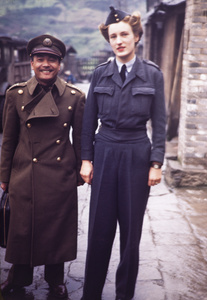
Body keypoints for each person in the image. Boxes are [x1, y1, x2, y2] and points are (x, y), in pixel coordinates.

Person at [80, 6, 166, 300]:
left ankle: (124, 295)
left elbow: (161, 121)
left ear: (136, 37)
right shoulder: (101, 74)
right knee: (99, 230)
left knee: (131, 234)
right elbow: (88, 121)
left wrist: (156, 163)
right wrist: (86, 159)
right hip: (104, 151)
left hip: (136, 155)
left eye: (124, 35)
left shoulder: (152, 75)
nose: (119, 40)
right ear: (109, 40)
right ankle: (90, 293)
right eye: (113, 36)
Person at [0, 34, 85, 298]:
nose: (46, 64)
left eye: (52, 59)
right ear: (32, 62)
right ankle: (18, 277)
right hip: (25, 172)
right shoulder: (16, 94)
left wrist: (80, 173)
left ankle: (56, 280)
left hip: (59, 175)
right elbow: (8, 139)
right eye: (40, 59)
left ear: (60, 64)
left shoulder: (74, 97)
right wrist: (4, 176)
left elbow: (81, 139)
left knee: (57, 228)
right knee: (22, 227)